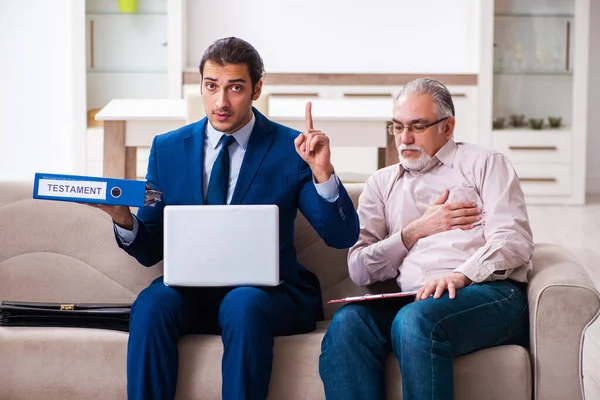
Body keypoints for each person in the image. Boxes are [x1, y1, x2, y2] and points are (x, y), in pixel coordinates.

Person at [94, 37, 359, 400]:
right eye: (211, 86)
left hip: (267, 295)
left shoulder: (292, 148)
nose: (221, 101)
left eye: (235, 88)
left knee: (243, 302)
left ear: (256, 89)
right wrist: (124, 220)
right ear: (200, 86)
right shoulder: (167, 148)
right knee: (151, 303)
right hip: (189, 293)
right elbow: (150, 249)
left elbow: (341, 235)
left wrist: (323, 173)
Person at [319, 77, 533, 400]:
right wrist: (415, 231)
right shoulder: (380, 184)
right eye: (397, 127)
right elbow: (359, 269)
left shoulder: (485, 164)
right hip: (414, 300)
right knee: (348, 324)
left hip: (488, 293)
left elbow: (513, 239)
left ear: (448, 128)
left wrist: (461, 275)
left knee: (415, 321)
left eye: (417, 127)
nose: (404, 138)